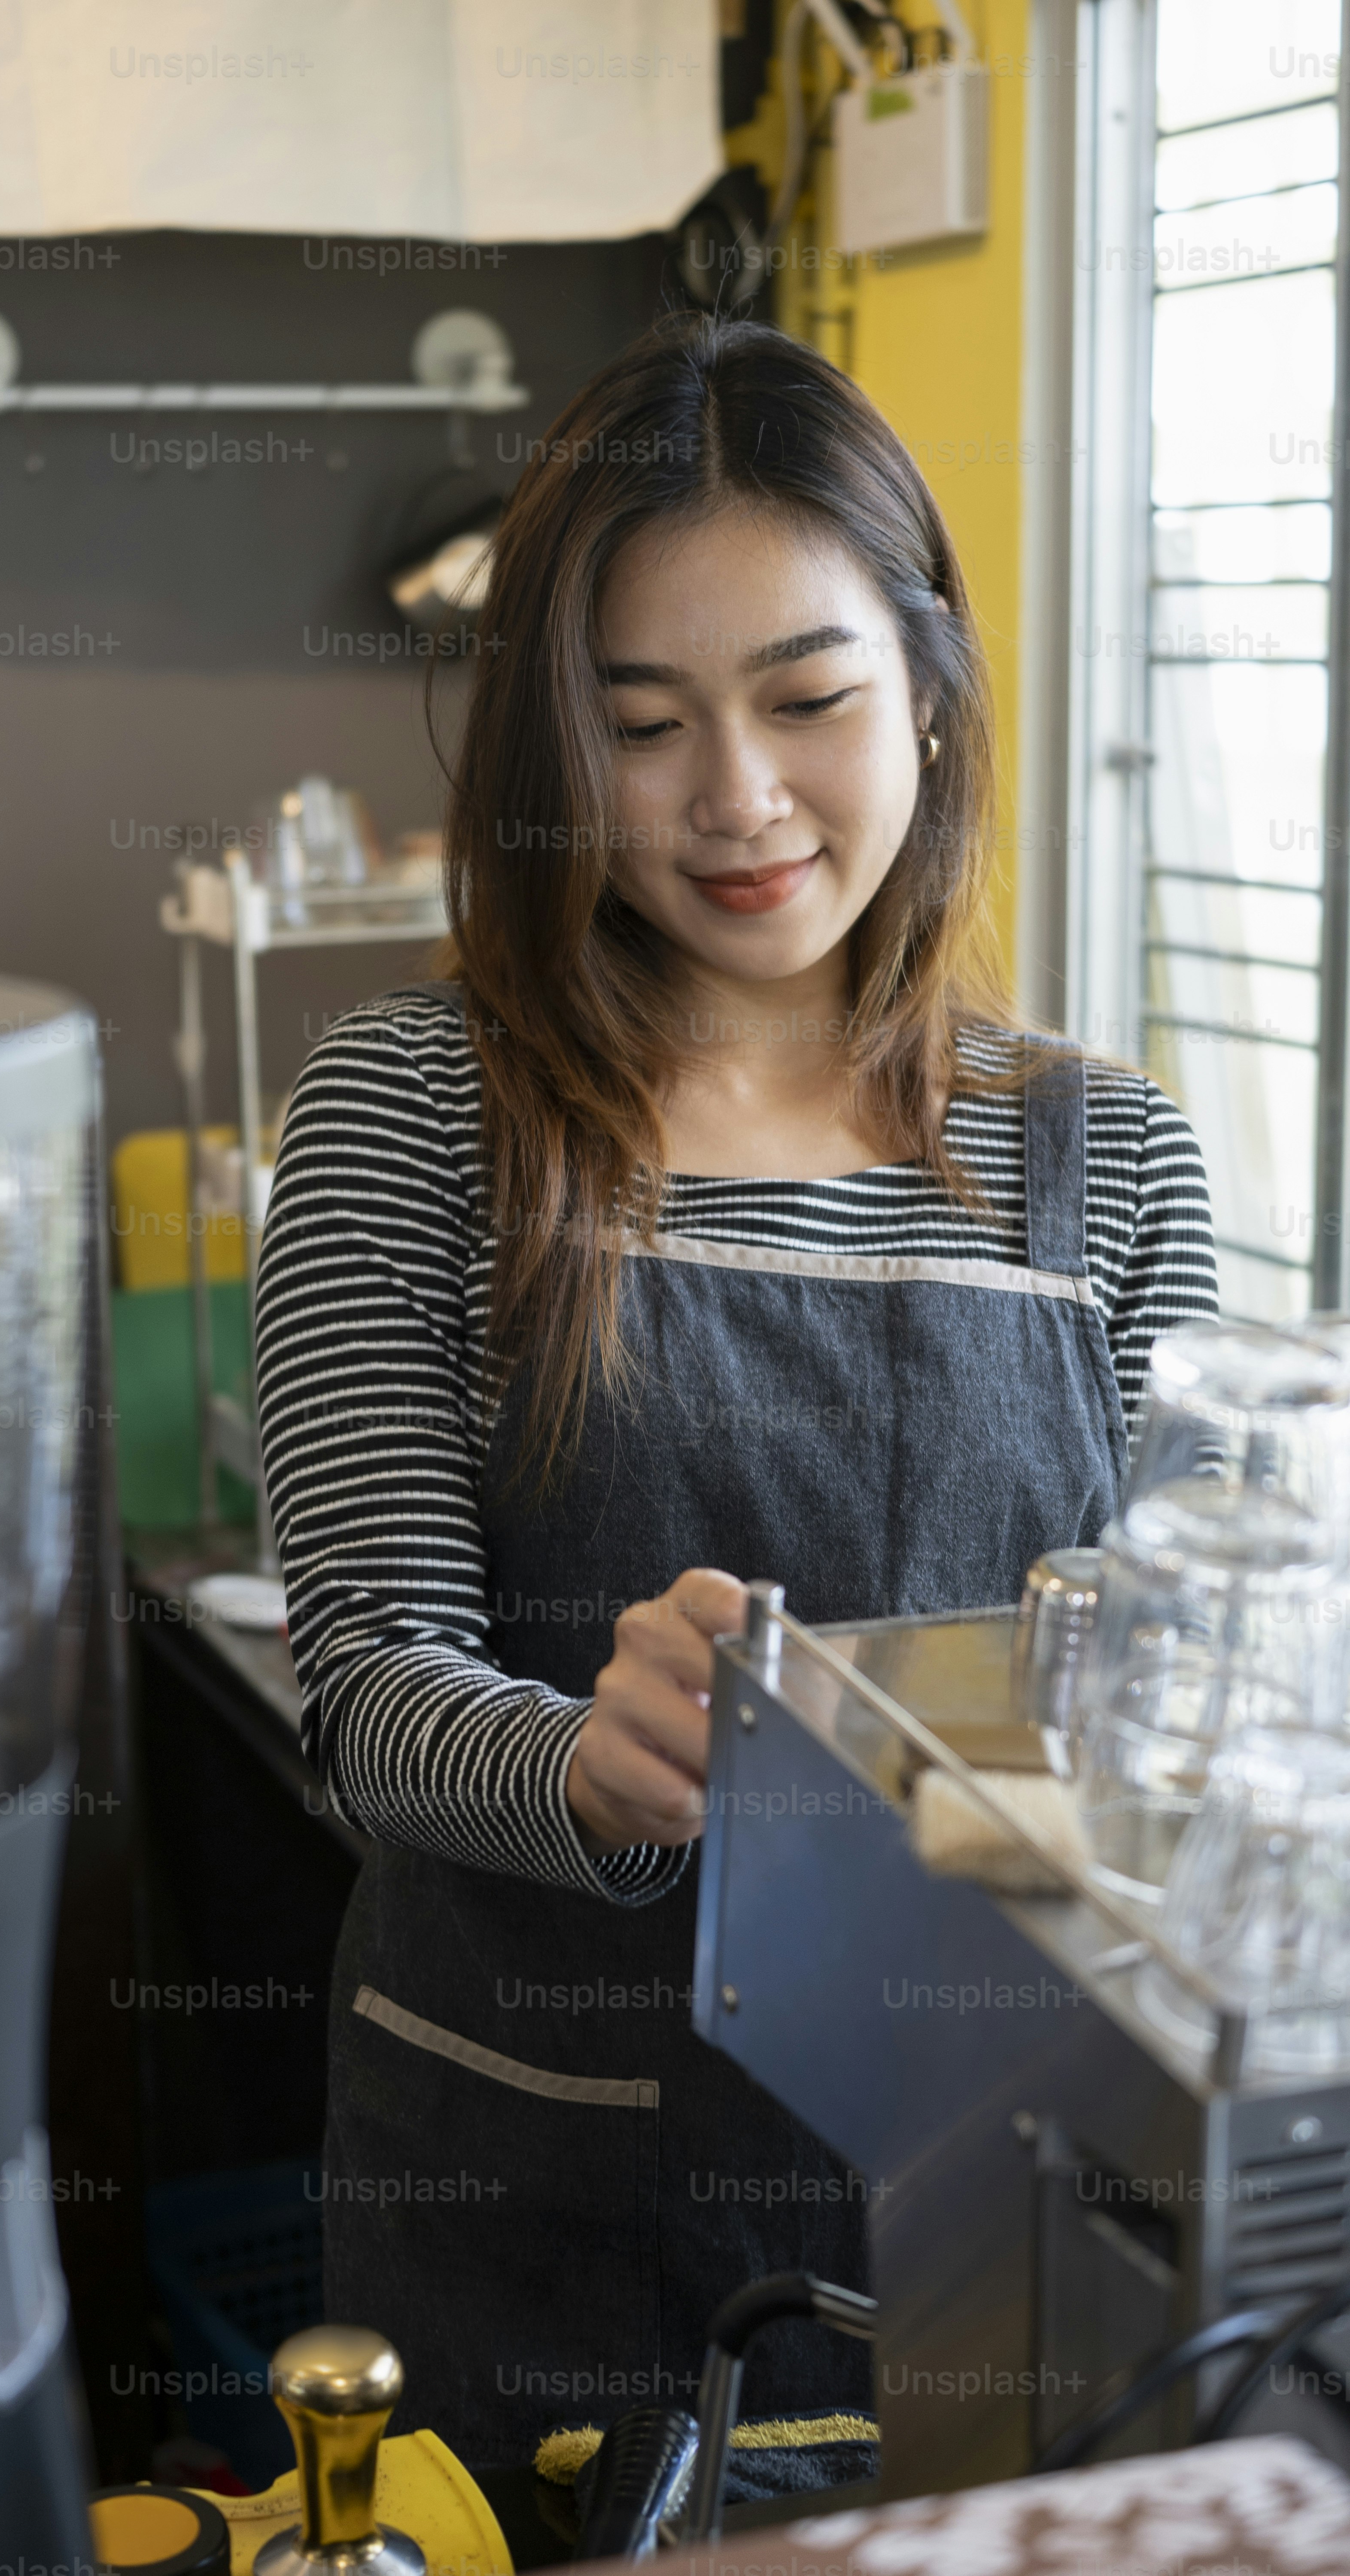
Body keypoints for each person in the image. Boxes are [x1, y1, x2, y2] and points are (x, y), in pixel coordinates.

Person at [254, 314, 1217, 2481]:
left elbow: (1166, 1715)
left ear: (931, 688)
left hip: (999, 2189)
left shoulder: (1114, 1154)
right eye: (640, 725)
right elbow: (365, 1695)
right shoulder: (413, 1114)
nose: (737, 802)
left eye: (806, 699)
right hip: (539, 2194)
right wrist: (591, 1766)